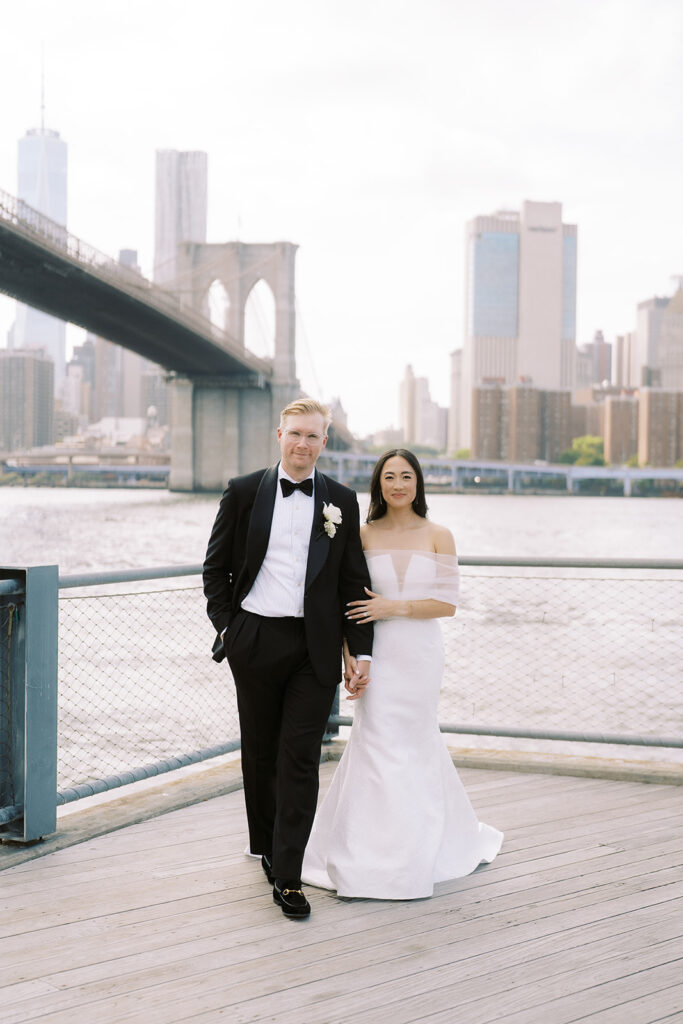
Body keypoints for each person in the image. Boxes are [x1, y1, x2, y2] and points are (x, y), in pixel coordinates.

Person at [302, 448, 503, 899]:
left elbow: (447, 604)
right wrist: (349, 652)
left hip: (419, 653)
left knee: (413, 741)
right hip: (375, 653)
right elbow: (345, 602)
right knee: (374, 739)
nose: (397, 484)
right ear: (378, 484)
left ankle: (416, 849)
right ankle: (363, 850)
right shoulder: (361, 534)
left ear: (418, 484)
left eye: (406, 476)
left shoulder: (439, 534)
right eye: (389, 476)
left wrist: (394, 607)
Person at [203, 398, 373, 918]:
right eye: (295, 433)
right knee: (259, 751)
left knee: (299, 756)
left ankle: (289, 873)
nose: (303, 444)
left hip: (313, 648)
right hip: (253, 640)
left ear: (325, 442)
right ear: (279, 435)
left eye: (313, 436)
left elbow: (351, 581)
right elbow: (215, 571)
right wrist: (230, 630)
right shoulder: (242, 492)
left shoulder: (341, 500)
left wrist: (359, 651)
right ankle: (267, 847)